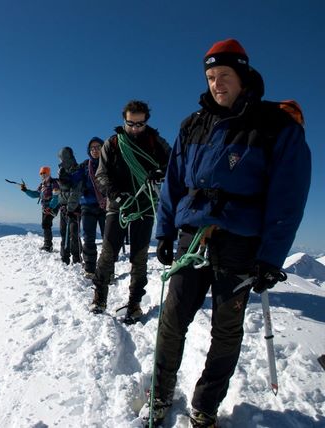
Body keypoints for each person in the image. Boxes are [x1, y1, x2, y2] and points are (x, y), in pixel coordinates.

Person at [149, 39, 311, 427]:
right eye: (210, 76)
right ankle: (160, 391)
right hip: (193, 236)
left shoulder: (276, 126)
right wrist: (165, 232)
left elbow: (287, 197)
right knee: (172, 319)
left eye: (224, 75)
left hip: (240, 243)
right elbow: (173, 184)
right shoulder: (192, 125)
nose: (216, 83)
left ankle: (205, 404)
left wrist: (271, 256)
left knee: (226, 328)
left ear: (242, 76)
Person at [89, 100, 171, 320]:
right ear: (123, 120)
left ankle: (134, 303)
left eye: (139, 124)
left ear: (146, 121)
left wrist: (160, 173)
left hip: (144, 204)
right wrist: (115, 193)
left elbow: (174, 166)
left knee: (140, 255)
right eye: (131, 123)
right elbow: (101, 174)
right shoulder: (113, 143)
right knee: (108, 252)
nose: (135, 128)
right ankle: (99, 297)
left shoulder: (156, 142)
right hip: (119, 205)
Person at [79, 137, 107, 278]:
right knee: (89, 238)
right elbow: (74, 177)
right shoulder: (84, 165)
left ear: (103, 148)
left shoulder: (109, 164)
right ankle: (90, 269)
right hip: (88, 205)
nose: (95, 150)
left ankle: (107, 270)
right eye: (92, 148)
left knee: (108, 239)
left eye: (98, 147)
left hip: (106, 206)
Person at [21, 166, 60, 251]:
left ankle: (48, 246)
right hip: (45, 207)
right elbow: (35, 194)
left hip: (52, 207)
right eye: (41, 173)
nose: (42, 175)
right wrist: (26, 190)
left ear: (48, 173)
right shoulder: (42, 185)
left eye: (44, 173)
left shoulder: (54, 183)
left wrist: (50, 207)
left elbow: (56, 197)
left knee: (46, 223)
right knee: (45, 224)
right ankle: (48, 245)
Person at [57, 147, 83, 265]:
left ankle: (76, 259)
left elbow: (76, 191)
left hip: (74, 209)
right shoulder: (63, 170)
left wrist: (71, 207)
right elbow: (61, 191)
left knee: (73, 234)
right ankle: (65, 259)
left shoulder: (76, 171)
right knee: (64, 233)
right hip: (64, 207)